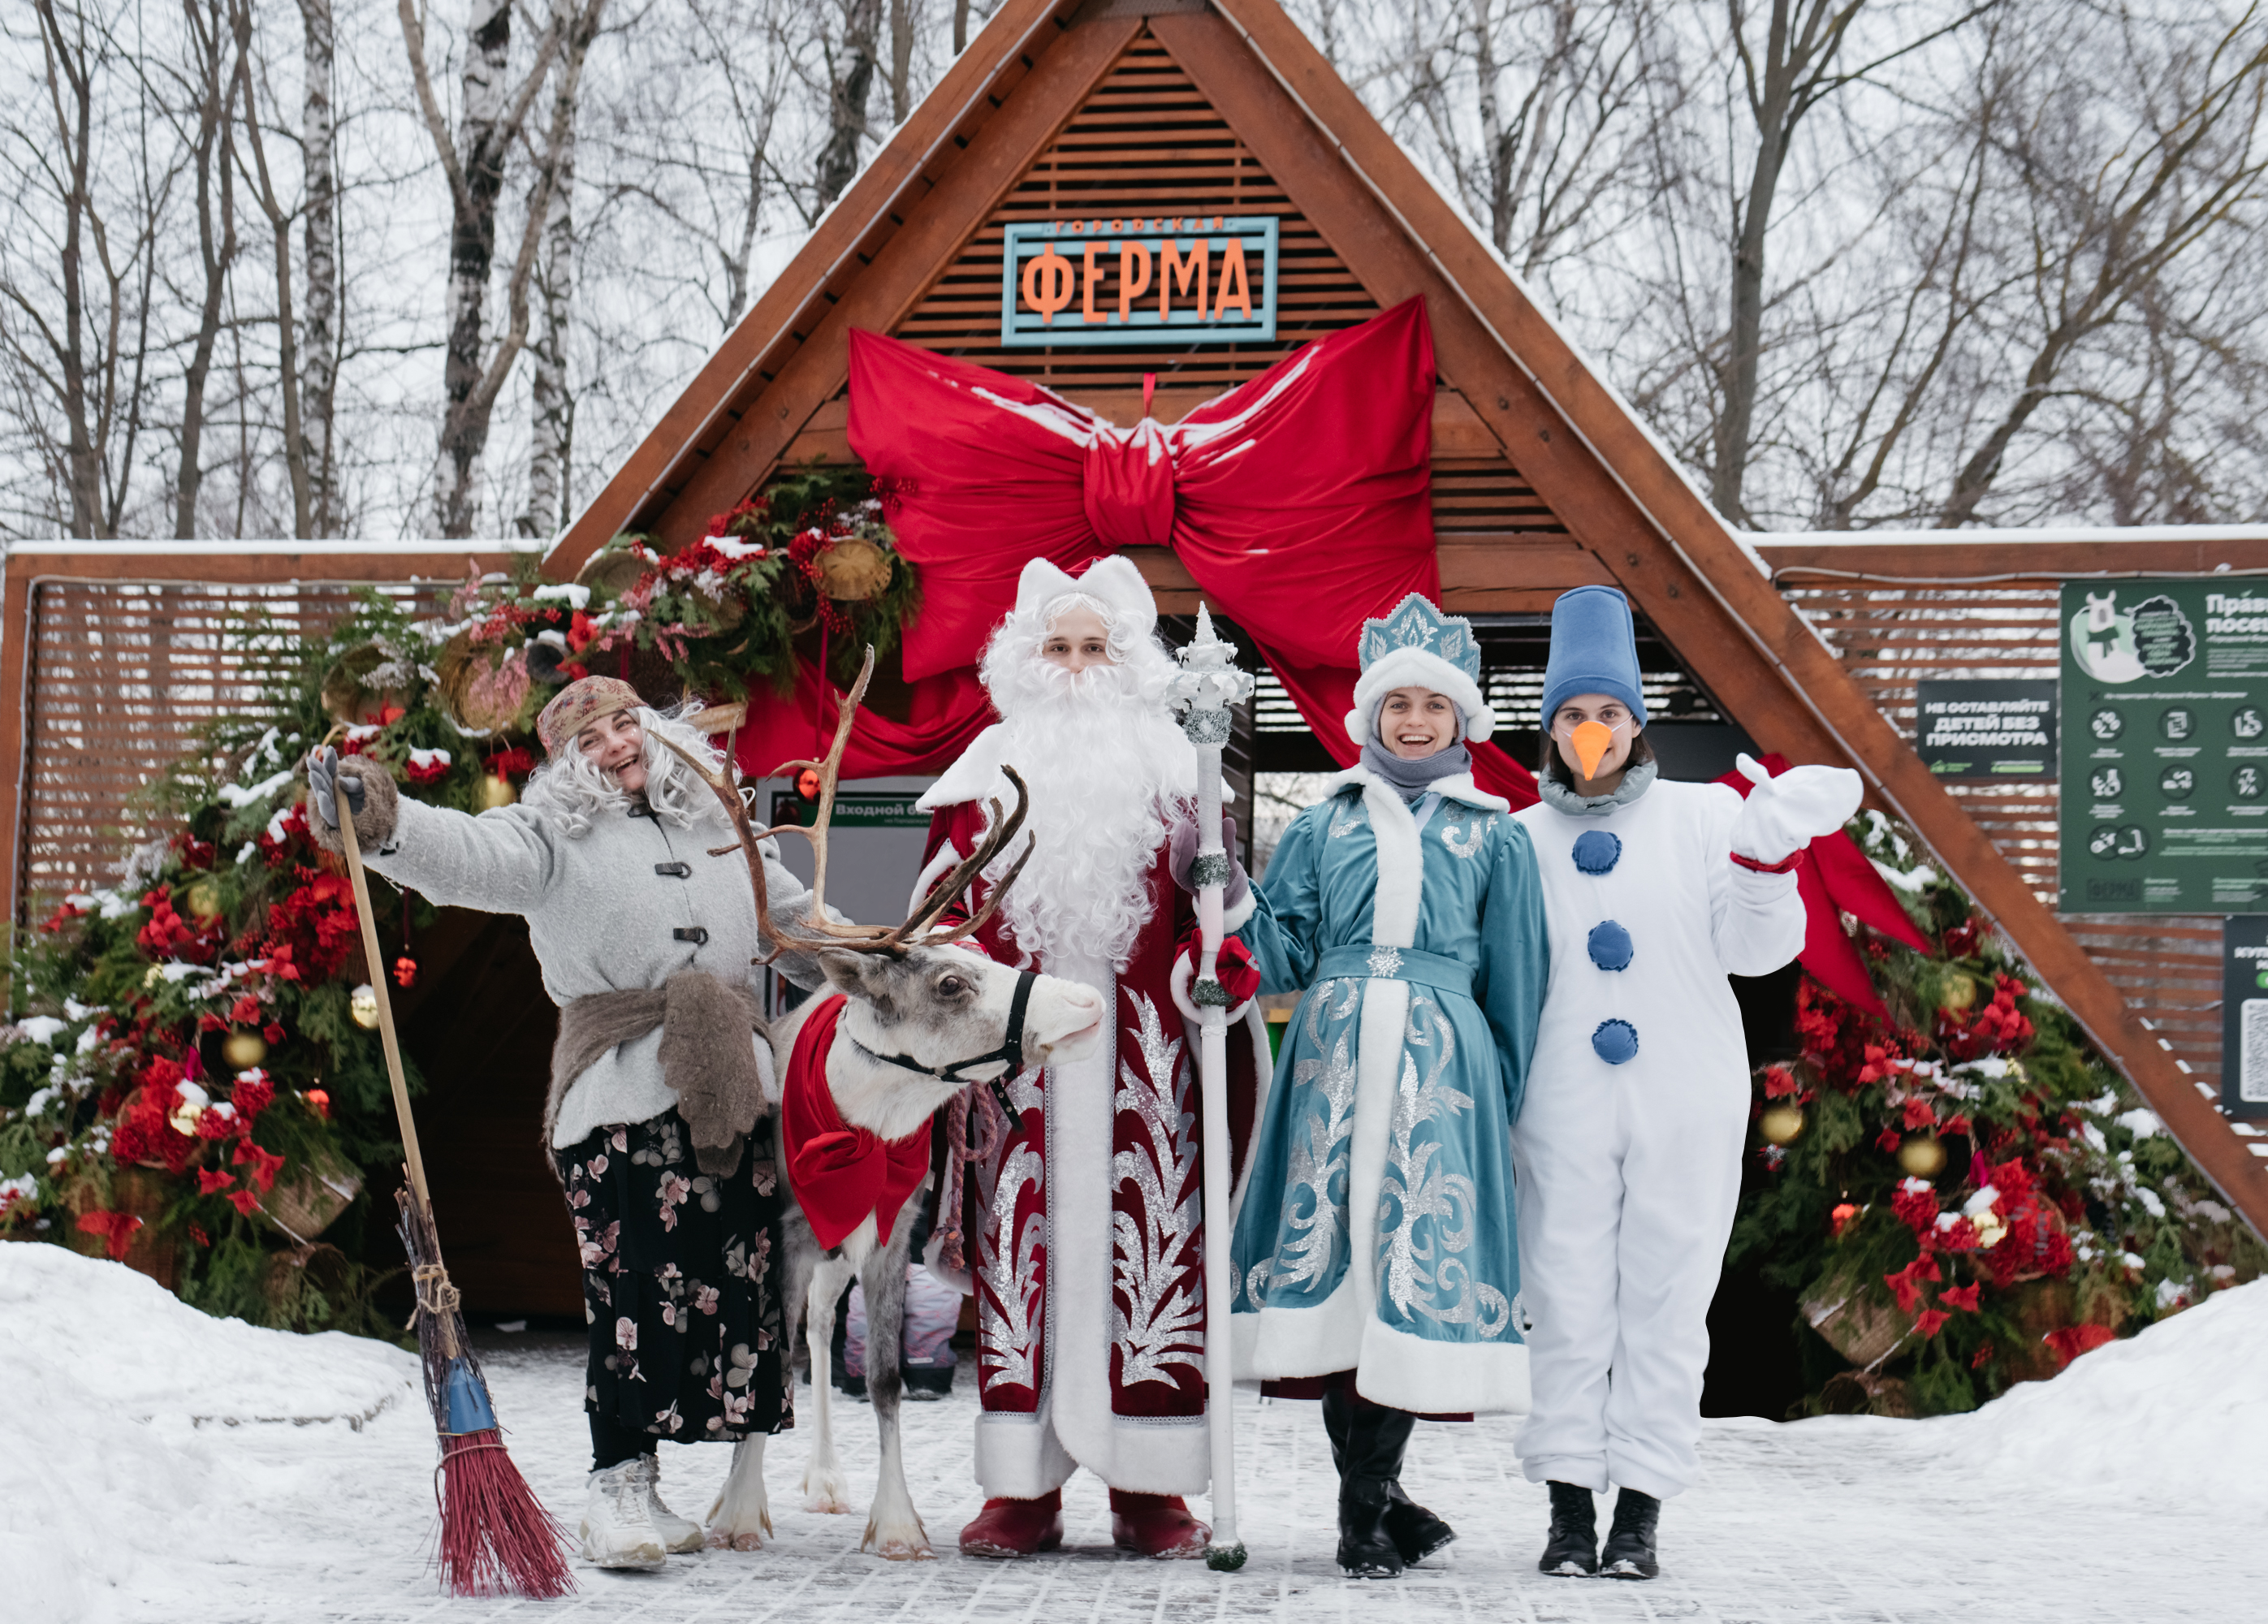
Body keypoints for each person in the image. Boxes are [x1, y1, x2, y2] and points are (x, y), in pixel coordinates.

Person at [306, 676, 827, 1572]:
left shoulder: (717, 822)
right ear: (566, 760)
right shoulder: (549, 837)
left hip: (733, 1089)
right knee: (631, 1292)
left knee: (720, 1284)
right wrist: (380, 816)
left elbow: (800, 920)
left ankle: (652, 1483)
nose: (618, 742)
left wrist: (901, 954)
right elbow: (460, 849)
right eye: (592, 736)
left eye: (627, 722)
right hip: (622, 1095)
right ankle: (614, 1483)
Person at [915, 555, 1268, 1561]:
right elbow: (942, 928)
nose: (1074, 668)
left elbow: (1229, 923)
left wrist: (1225, 945)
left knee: (1152, 1256)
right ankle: (1020, 1488)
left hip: (1143, 1070)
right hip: (1021, 1065)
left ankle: (1149, 1484)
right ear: (1027, 662)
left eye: (1094, 649)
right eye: (1057, 649)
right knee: (1016, 1260)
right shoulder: (980, 781)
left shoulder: (1178, 777)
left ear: (1128, 665)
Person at [1510, 585, 1858, 1579]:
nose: (1593, 731)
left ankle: (1642, 1510)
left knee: (1667, 1298)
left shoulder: (1710, 813)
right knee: (1566, 1297)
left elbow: (1759, 951)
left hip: (1687, 1095)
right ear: (1552, 729)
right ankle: (1571, 1505)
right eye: (1574, 715)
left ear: (1637, 723)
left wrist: (1766, 855)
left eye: (1610, 713)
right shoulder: (1518, 837)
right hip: (1563, 1099)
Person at [1218, 594, 1549, 1579]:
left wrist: (1499, 1089)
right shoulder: (1327, 825)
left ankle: (1364, 1513)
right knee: (1340, 1281)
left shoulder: (1497, 838)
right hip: (1332, 1062)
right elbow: (1278, 954)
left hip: (1440, 1073)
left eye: (1432, 705)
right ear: (1368, 717)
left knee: (1406, 1266)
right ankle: (1378, 1502)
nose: (1413, 719)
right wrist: (1231, 895)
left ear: (1462, 720)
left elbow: (1517, 977)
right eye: (1395, 702)